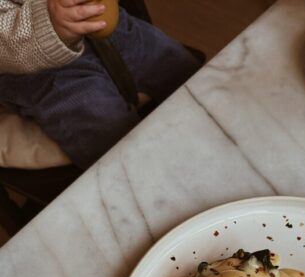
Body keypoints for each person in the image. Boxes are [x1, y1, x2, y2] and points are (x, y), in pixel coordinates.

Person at [0, 0, 200, 169]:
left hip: (107, 23)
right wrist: (47, 24)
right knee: (105, 130)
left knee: (182, 70)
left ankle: (209, 142)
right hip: (31, 65)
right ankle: (143, 182)